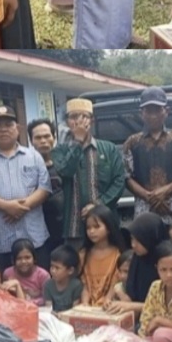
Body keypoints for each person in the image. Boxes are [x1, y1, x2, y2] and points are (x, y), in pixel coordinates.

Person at [0, 105, 52, 269]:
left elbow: (44, 187)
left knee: (37, 287)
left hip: (33, 237)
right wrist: (6, 206)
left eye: (8, 125)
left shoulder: (33, 156)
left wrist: (22, 207)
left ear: (18, 128)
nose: (3, 130)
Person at [51, 97, 127, 248]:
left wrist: (97, 205)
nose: (79, 121)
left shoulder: (109, 148)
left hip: (105, 226)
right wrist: (78, 142)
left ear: (91, 121)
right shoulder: (59, 151)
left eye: (84, 116)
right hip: (74, 227)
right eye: (73, 117)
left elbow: (119, 181)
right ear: (67, 122)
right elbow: (65, 171)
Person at [124, 87, 172, 225]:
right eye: (148, 111)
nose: (153, 115)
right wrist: (148, 196)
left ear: (166, 111)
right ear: (141, 113)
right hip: (145, 208)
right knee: (145, 243)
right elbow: (126, 176)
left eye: (157, 110)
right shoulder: (132, 142)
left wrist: (166, 190)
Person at [115, 212, 171, 317]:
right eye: (132, 239)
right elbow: (131, 297)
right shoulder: (137, 260)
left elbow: (165, 307)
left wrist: (132, 306)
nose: (133, 245)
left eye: (139, 241)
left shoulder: (167, 264)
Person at [28, 118, 64, 254]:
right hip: (38, 232)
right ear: (31, 141)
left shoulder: (65, 164)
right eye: (38, 137)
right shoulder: (26, 166)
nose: (43, 141)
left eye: (47, 136)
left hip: (64, 229)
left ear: (54, 137)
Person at [78, 205, 125, 306]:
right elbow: (84, 285)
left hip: (110, 304)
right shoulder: (84, 254)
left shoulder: (118, 254)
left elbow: (115, 285)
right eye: (88, 228)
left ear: (109, 228)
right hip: (86, 305)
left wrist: (107, 300)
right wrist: (85, 303)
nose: (92, 231)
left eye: (96, 227)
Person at [2, 237, 50, 305]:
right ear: (13, 260)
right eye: (19, 258)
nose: (23, 262)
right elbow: (5, 295)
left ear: (34, 258)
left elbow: (46, 298)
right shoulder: (8, 273)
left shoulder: (43, 275)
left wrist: (28, 303)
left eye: (27, 257)